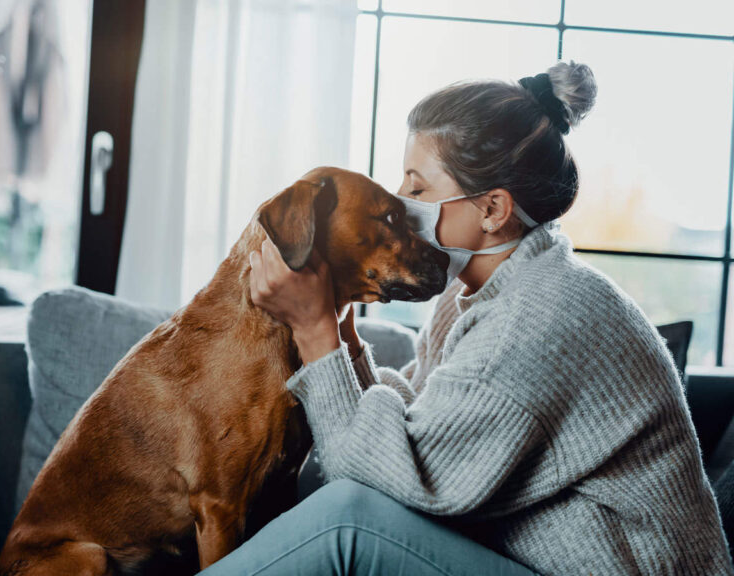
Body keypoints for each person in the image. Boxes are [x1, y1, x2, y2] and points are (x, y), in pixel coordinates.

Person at [199, 61, 734, 575]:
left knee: (349, 523)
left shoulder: (541, 315)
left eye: (417, 186)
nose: (398, 201)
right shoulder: (476, 294)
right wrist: (338, 329)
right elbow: (412, 434)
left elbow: (392, 477)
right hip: (531, 559)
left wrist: (314, 333)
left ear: (492, 210)